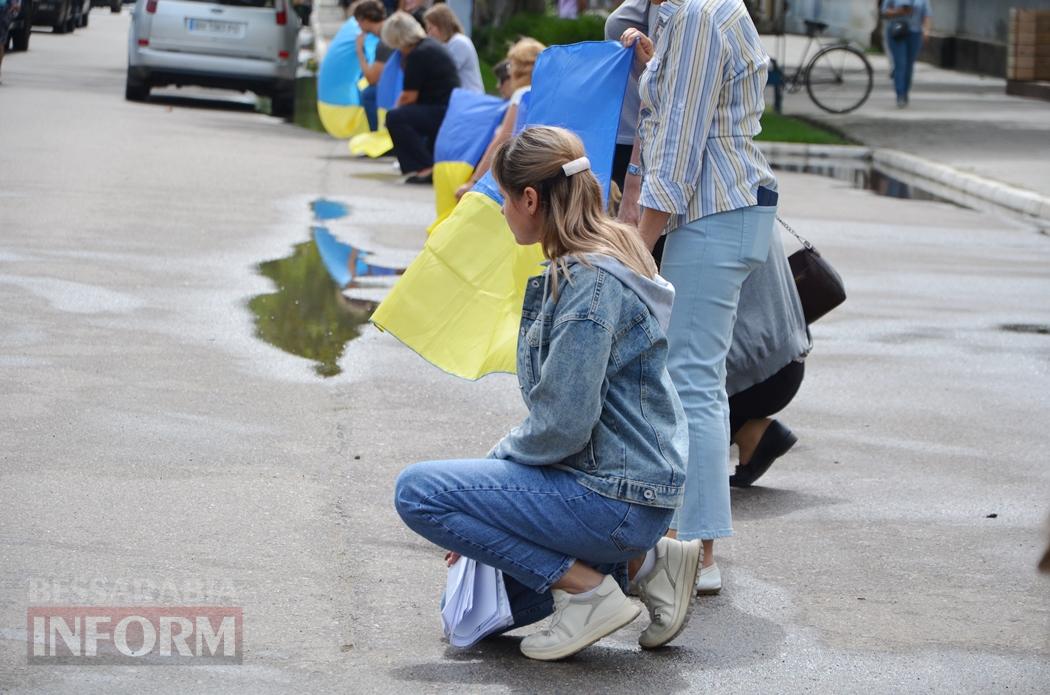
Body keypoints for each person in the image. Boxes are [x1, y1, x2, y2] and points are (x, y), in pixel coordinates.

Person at [394, 126, 702, 661]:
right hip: (630, 494)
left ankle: (589, 593)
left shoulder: (587, 286)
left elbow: (562, 424)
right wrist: (487, 502)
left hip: (615, 497)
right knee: (492, 612)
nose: (504, 213)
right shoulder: (614, 250)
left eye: (503, 201)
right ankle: (650, 567)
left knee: (419, 493)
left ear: (530, 199)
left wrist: (482, 485)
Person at [619, 0, 778, 594]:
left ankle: (697, 553)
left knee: (690, 381)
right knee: (693, 378)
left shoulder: (694, 14)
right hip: (722, 209)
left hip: (711, 210)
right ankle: (693, 546)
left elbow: (680, 143)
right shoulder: (704, 13)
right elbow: (702, 109)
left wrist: (637, 245)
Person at [725, 229, 810, 494]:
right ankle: (751, 433)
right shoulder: (746, 189)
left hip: (758, 370)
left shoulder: (672, 200)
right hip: (784, 355)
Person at [453, 37, 545, 200]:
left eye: (511, 64)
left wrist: (474, 181)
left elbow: (503, 138)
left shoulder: (522, 94)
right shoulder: (545, 93)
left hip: (518, 167)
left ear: (520, 67)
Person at [382, 10, 460, 182]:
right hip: (447, 107)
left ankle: (423, 166)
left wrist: (393, 111)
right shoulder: (430, 46)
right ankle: (426, 162)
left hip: (440, 109)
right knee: (403, 117)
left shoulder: (418, 54)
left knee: (395, 118)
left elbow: (409, 96)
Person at [353, 0, 395, 132]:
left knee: (369, 93)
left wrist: (359, 51)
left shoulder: (385, 40)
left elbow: (372, 79)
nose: (358, 26)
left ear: (363, 20)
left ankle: (375, 138)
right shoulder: (390, 30)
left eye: (358, 22)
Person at [881, 0, 932, 107]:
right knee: (901, 63)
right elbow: (884, 11)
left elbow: (927, 14)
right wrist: (899, 11)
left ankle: (905, 92)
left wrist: (926, 31)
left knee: (909, 65)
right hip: (897, 31)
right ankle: (900, 95)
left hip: (915, 33)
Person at [424, 4, 483, 94]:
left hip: (469, 101)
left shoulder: (459, 43)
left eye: (430, 28)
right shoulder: (447, 44)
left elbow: (442, 74)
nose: (428, 34)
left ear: (441, 25)